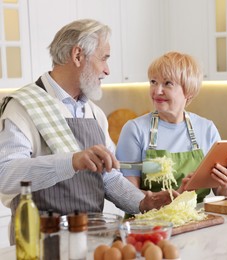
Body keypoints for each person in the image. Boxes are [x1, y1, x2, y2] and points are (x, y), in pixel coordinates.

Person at [0, 19, 174, 244]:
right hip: (40, 242)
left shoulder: (93, 113)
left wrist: (143, 202)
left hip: (91, 239)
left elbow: (109, 177)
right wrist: (72, 161)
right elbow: (5, 175)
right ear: (78, 55)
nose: (107, 70)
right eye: (104, 58)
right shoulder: (22, 106)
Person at [116, 51, 227, 203]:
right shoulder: (135, 130)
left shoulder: (206, 129)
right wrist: (169, 199)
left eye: (167, 83)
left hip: (197, 220)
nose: (157, 91)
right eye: (153, 82)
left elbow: (221, 190)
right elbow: (128, 195)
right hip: (148, 222)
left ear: (188, 91)